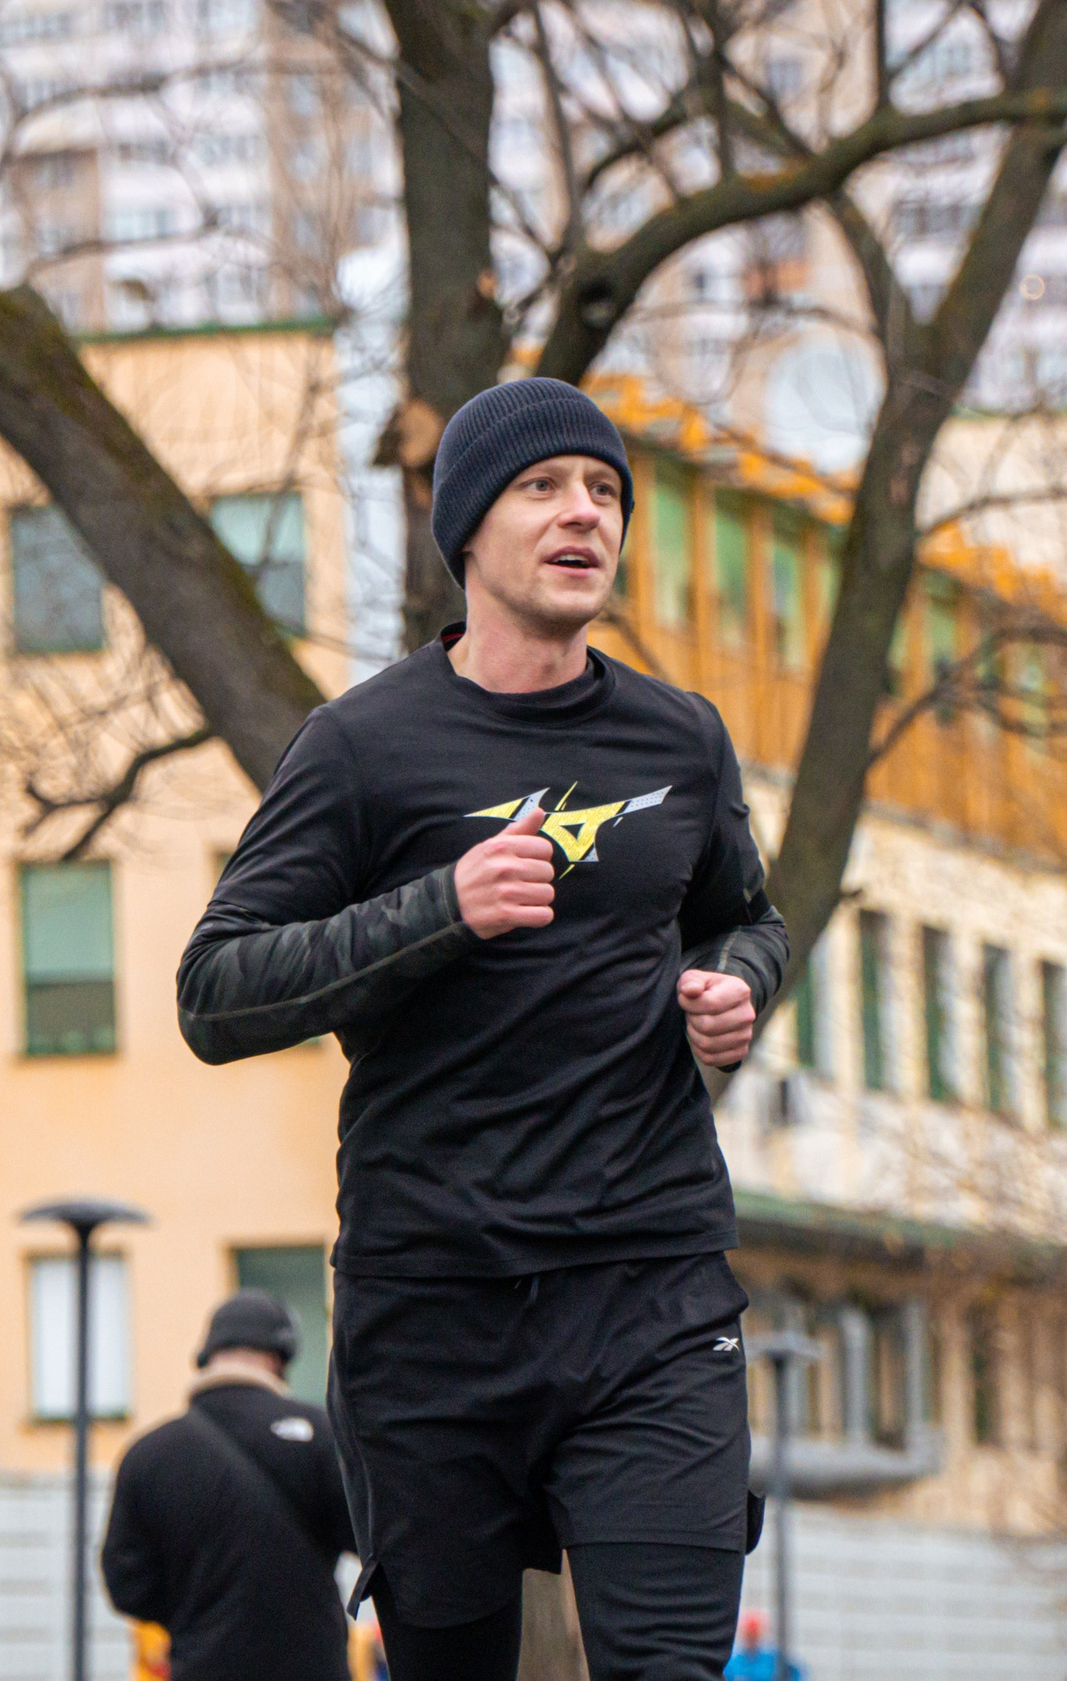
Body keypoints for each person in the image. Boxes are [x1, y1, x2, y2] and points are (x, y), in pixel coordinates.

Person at [178, 376, 788, 1680]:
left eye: (607, 490)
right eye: (545, 486)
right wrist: (436, 909)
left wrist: (738, 982)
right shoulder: (362, 747)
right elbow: (217, 993)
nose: (586, 513)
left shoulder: (679, 738)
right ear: (468, 529)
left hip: (652, 1290)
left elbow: (750, 919)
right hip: (432, 1307)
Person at [101, 1290, 356, 1681]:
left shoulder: (147, 1455)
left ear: (207, 1357)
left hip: (202, 1668)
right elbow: (366, 1540)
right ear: (280, 1357)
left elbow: (127, 1586)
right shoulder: (320, 1434)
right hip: (312, 1667)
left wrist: (197, 1616)